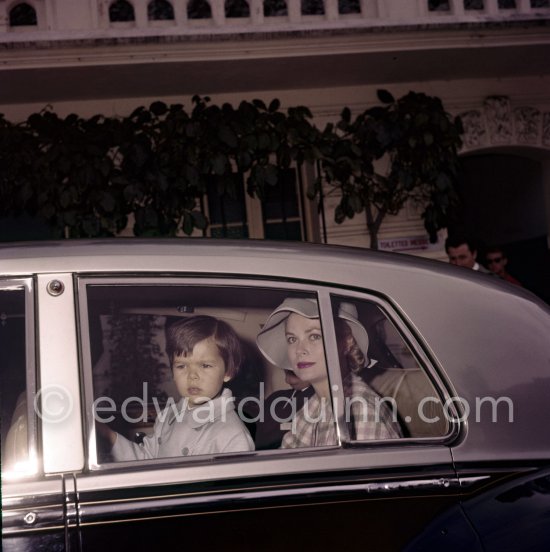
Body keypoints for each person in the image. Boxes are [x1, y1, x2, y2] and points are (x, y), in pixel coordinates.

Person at [97, 315, 254, 460]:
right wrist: (108, 436)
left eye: (205, 365)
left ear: (228, 372)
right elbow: (148, 460)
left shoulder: (232, 435)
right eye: (181, 366)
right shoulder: (168, 417)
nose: (192, 375)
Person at [256, 298, 402, 448]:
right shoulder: (312, 408)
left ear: (346, 341)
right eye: (292, 339)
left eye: (314, 336)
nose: (299, 350)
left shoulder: (360, 414)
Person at [252, 369, 315, 450]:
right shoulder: (277, 397)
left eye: (293, 373)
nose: (287, 380)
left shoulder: (316, 401)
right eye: (285, 373)